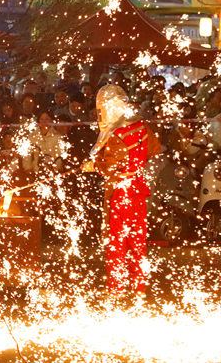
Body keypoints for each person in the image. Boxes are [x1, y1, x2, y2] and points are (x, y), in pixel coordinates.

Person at [83, 85, 160, 296]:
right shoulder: (142, 127)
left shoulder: (117, 134)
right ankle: (139, 286)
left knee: (116, 240)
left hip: (121, 192)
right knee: (137, 240)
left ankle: (115, 288)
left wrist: (93, 165)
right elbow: (155, 149)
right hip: (138, 189)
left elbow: (111, 167)